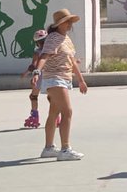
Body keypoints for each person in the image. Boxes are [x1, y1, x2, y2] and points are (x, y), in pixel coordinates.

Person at [30, 9, 88, 161]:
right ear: (59, 24)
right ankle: (65, 149)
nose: (70, 24)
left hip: (64, 78)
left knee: (54, 113)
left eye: (70, 21)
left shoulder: (66, 38)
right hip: (55, 79)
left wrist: (81, 80)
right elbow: (44, 56)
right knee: (67, 112)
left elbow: (72, 61)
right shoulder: (53, 38)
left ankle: (48, 148)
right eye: (67, 21)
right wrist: (37, 71)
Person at [19, 29, 49, 128]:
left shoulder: (38, 51)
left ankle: (34, 117)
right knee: (52, 97)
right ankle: (56, 117)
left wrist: (26, 73)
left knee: (33, 96)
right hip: (50, 76)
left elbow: (33, 65)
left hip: (39, 77)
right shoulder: (51, 50)